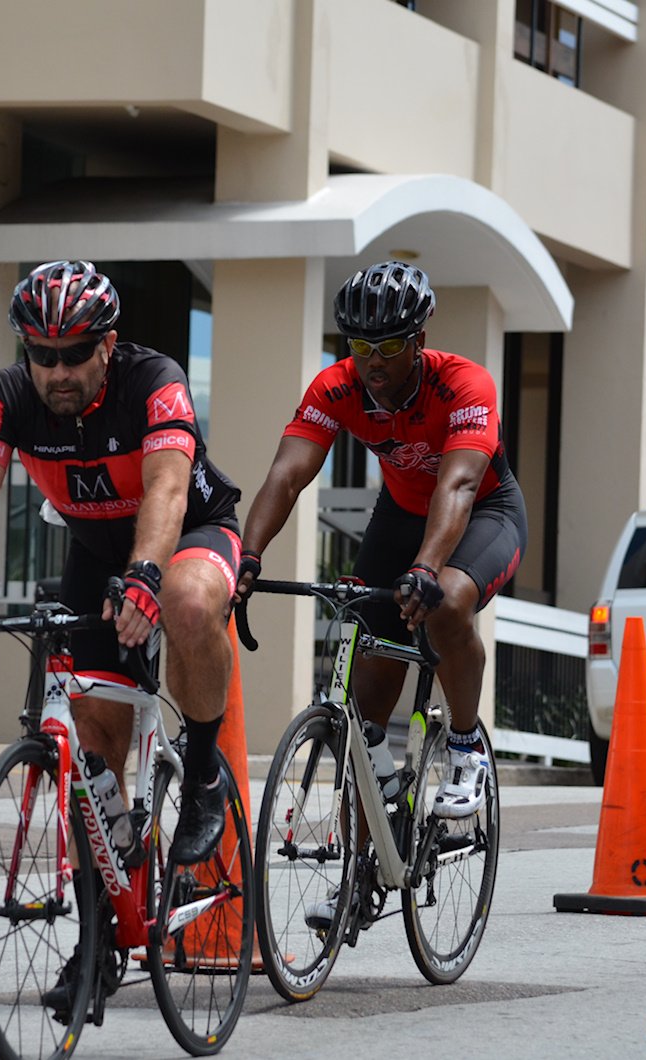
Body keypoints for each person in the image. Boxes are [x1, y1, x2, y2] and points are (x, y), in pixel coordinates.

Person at [0, 259, 242, 863]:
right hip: (97, 552)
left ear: (107, 344)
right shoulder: (8, 395)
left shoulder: (153, 379)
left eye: (75, 353)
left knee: (185, 600)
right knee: (92, 746)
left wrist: (146, 574)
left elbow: (167, 489)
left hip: (189, 531)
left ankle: (204, 775)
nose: (57, 372)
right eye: (41, 354)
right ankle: (105, 902)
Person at [236, 261, 525, 920]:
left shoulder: (464, 384)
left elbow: (458, 484)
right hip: (399, 517)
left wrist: (424, 568)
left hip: (482, 511)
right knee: (360, 707)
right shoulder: (337, 386)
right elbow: (286, 474)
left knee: (446, 600)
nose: (372, 360)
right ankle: (363, 871)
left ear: (418, 340)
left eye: (389, 345)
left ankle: (464, 745)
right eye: (359, 345)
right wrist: (247, 556)